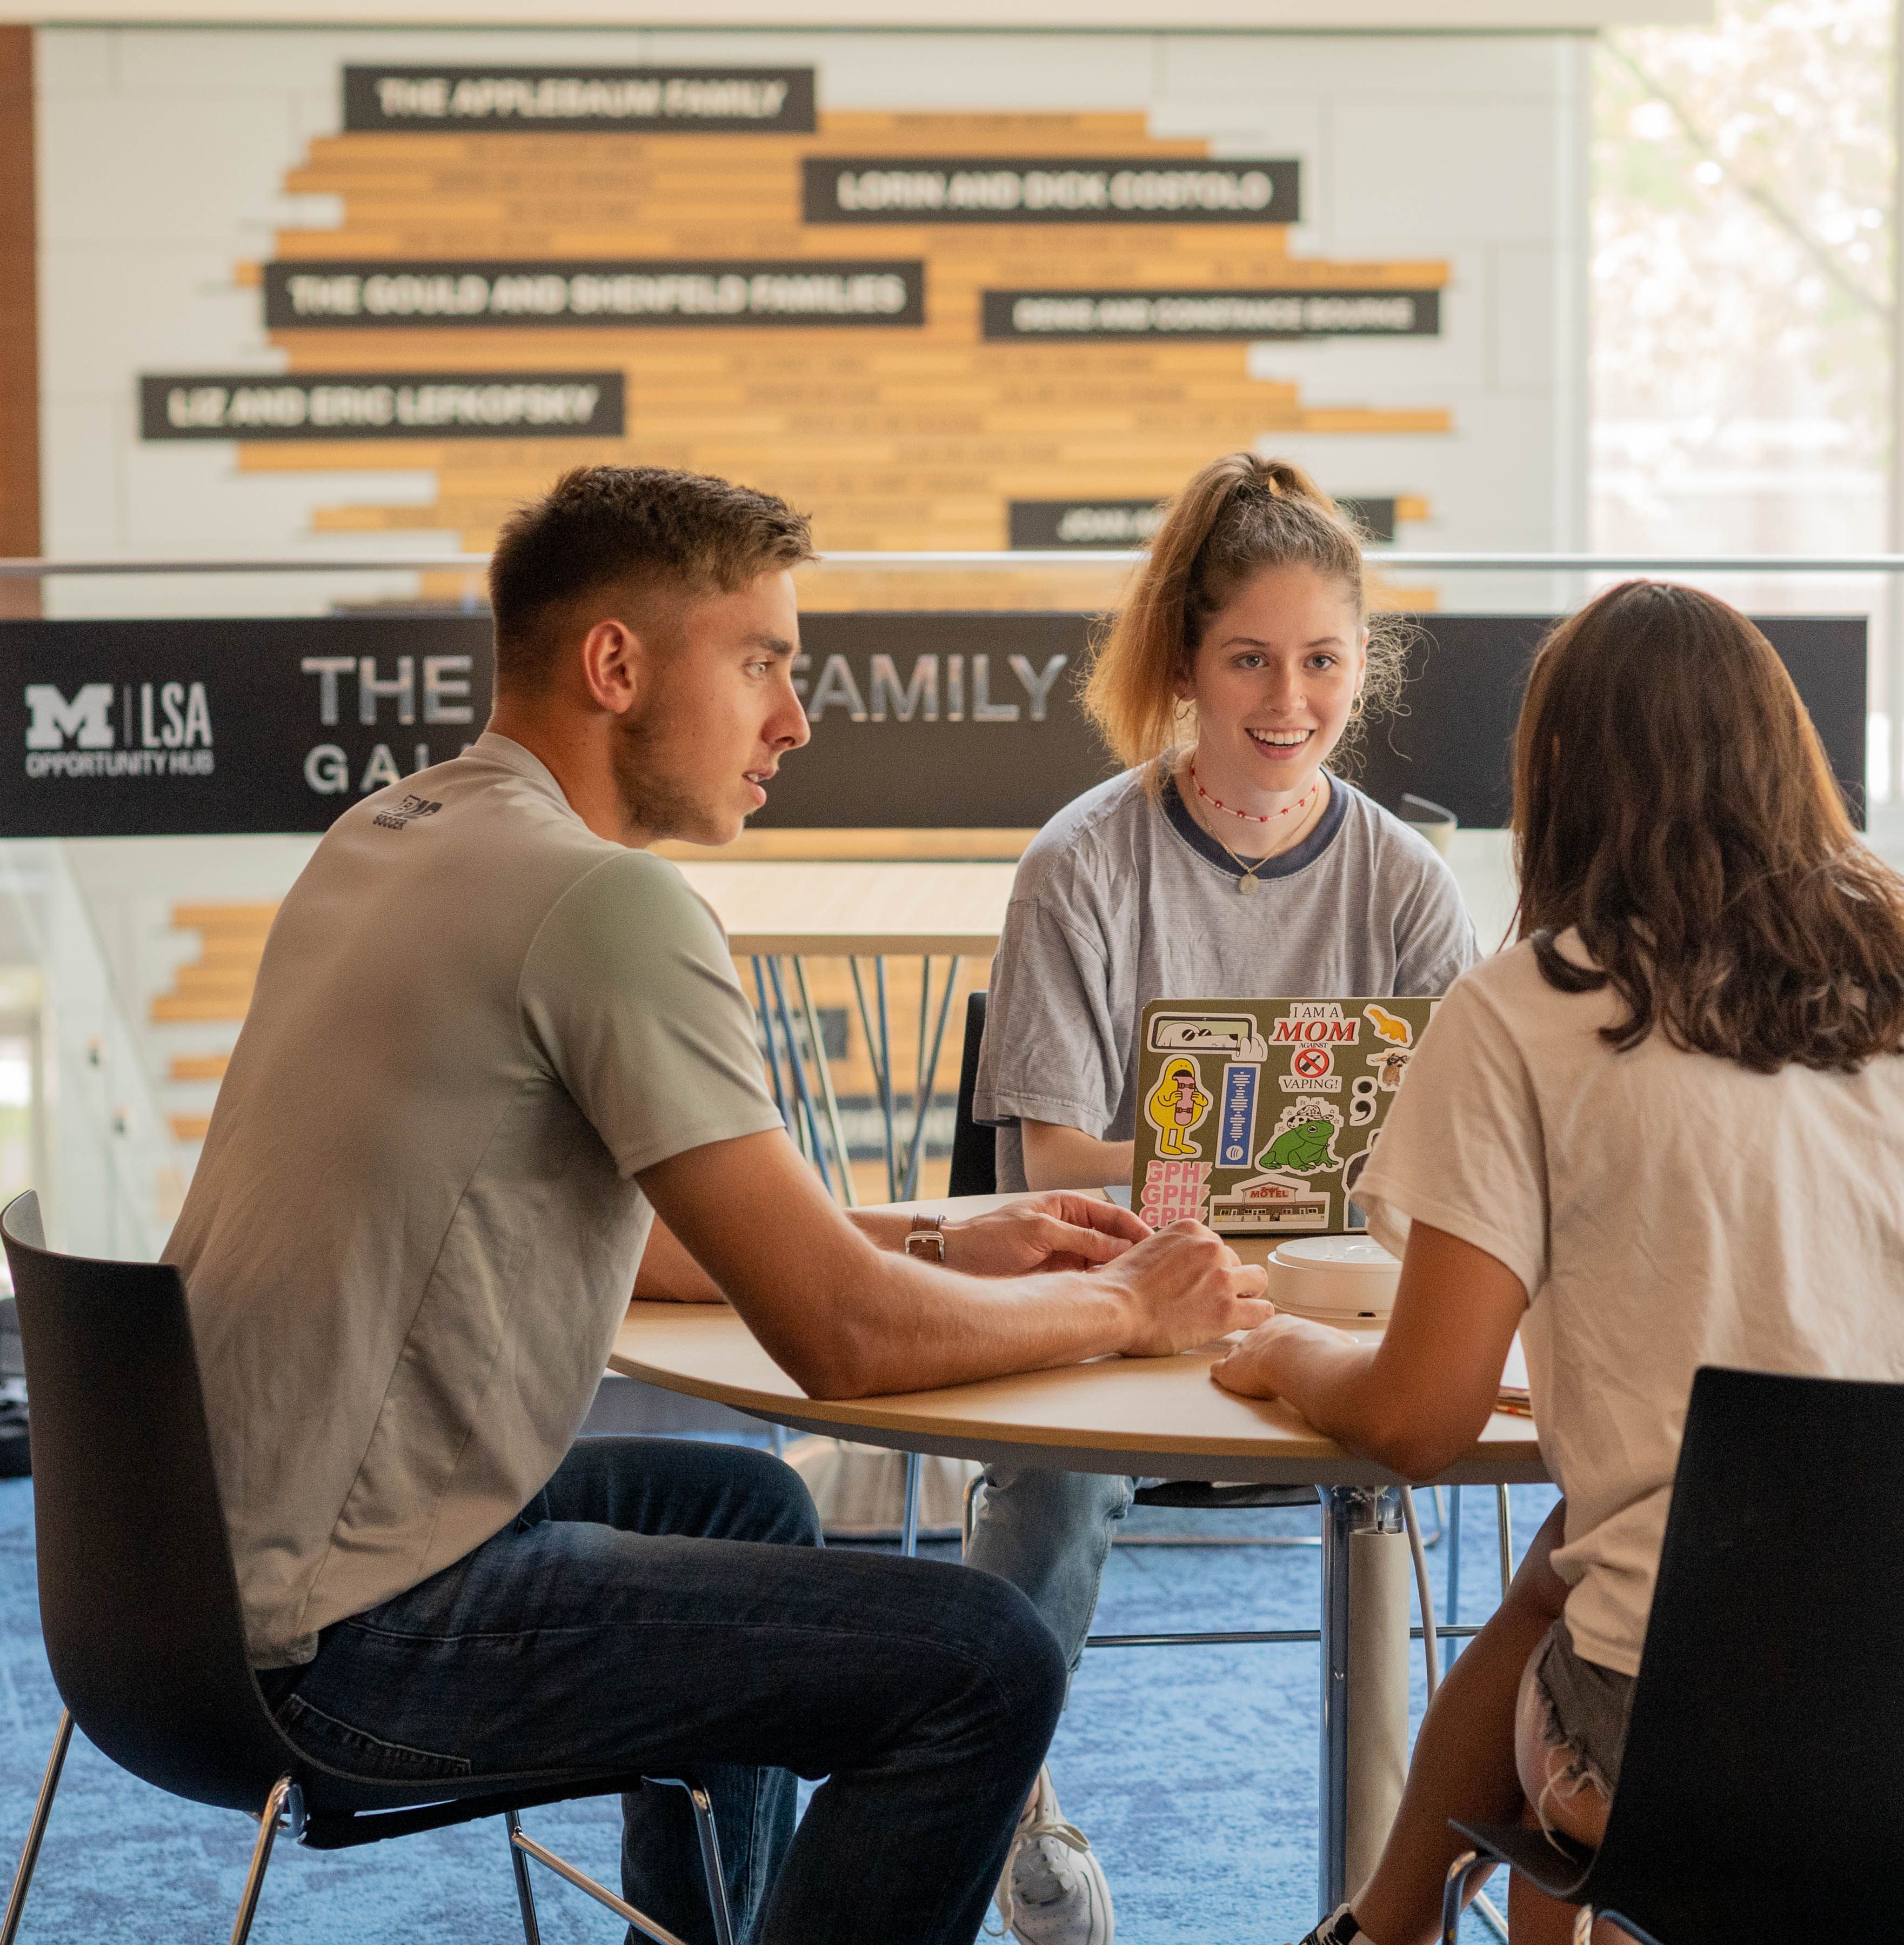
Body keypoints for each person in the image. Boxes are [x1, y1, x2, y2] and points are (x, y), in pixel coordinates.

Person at [165, 465, 1270, 1945]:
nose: (795, 721)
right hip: (354, 1645)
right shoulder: (599, 904)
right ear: (615, 666)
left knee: (739, 1501)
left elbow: (675, 1236)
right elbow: (839, 1342)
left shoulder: (393, 837)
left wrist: (942, 1234)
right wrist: (1128, 1305)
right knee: (987, 1660)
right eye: (762, 664)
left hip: (178, 1593)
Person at [1210, 579, 1904, 1945]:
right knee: (1585, 1565)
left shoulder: (1526, 1012)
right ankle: (1384, 1928)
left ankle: (1386, 1929)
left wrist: (1291, 1353)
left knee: (1589, 1607)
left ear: (1554, 780)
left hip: (1700, 1756)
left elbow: (1420, 1420)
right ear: (1787, 757)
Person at [964, 451, 1479, 1943]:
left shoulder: (1402, 884)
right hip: (1121, 1294)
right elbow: (1049, 1163)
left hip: (1340, 1299)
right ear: (1185, 663)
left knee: (1425, 1441)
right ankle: (1007, 1796)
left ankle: (1386, 1890)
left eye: (1321, 660)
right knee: (1052, 1488)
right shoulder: (1083, 863)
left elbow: (1453, 1161)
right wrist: (1219, 1216)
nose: (1287, 698)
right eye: (1248, 657)